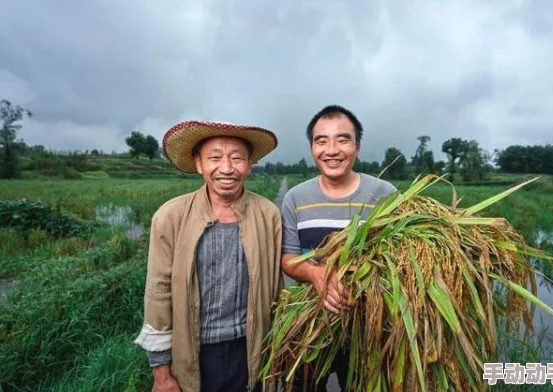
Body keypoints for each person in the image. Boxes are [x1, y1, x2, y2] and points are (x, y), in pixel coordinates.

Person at [134, 120, 284, 392]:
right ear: (199, 163)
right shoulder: (170, 217)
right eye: (215, 157)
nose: (226, 168)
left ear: (250, 164)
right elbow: (158, 292)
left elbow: (276, 290)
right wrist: (162, 375)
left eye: (237, 158)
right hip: (193, 352)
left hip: (250, 350)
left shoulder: (268, 215)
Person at [280, 105, 396, 391]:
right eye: (322, 141)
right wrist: (315, 273)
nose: (331, 150)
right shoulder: (296, 198)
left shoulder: (385, 195)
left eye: (343, 139)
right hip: (309, 325)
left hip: (370, 329)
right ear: (312, 148)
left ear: (357, 145)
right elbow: (288, 258)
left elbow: (401, 259)